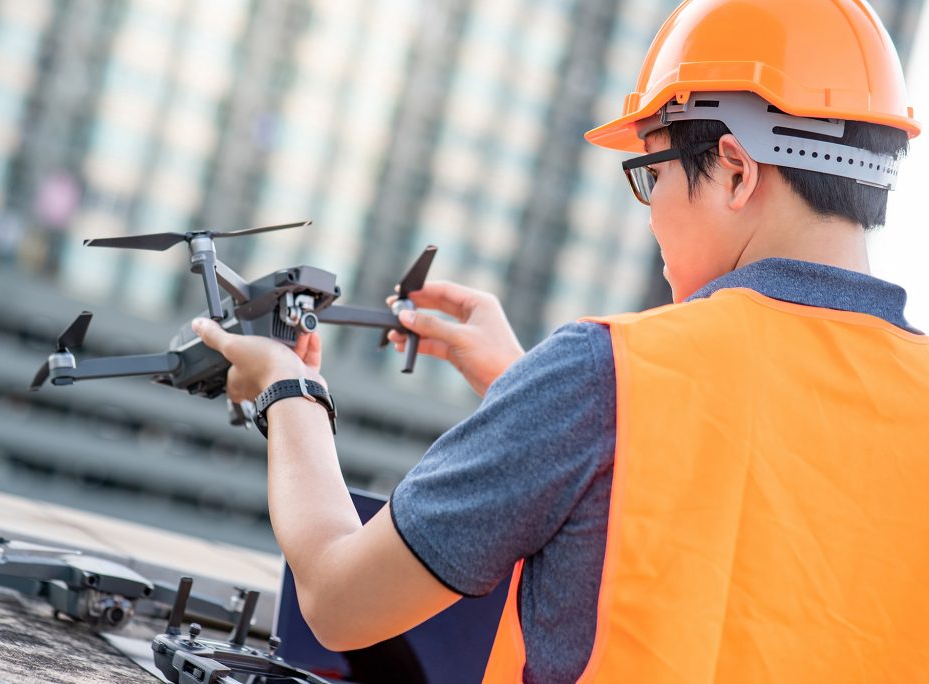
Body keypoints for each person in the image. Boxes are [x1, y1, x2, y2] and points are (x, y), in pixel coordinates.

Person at [192, 0, 929, 681]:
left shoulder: (605, 375)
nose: (650, 213)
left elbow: (339, 596)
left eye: (651, 172)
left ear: (735, 170)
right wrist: (525, 387)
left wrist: (289, 392)